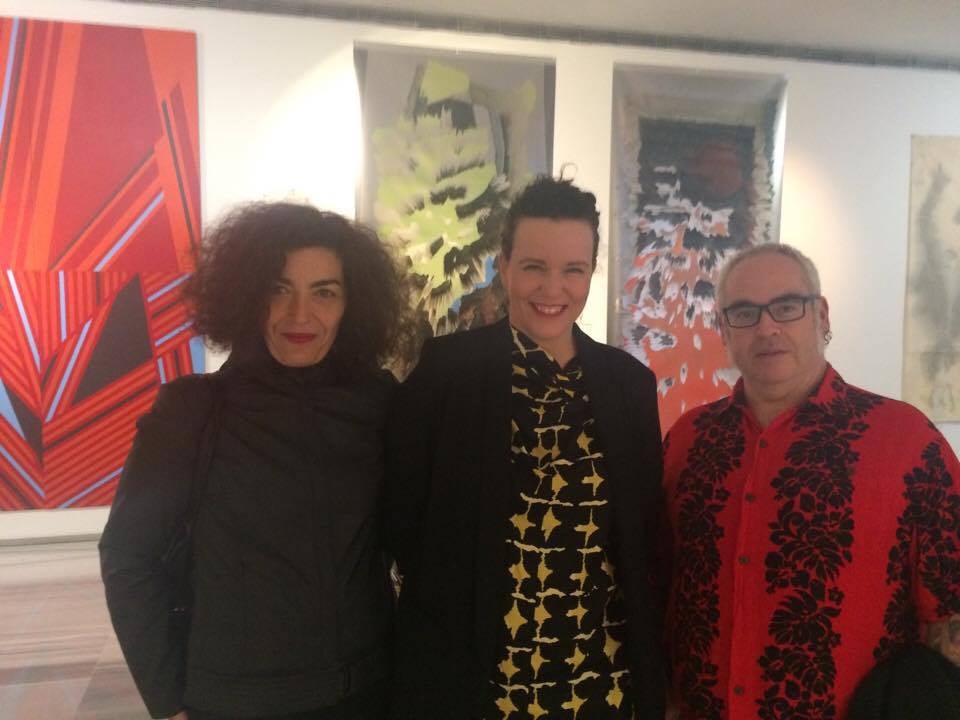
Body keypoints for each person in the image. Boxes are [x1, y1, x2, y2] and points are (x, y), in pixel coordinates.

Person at [100, 202, 410, 720]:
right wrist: (167, 703)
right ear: (246, 295)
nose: (300, 315)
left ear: (352, 304)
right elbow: (128, 555)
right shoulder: (192, 410)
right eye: (278, 289)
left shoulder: (378, 403)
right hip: (234, 700)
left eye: (324, 292)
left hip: (366, 691)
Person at [386, 176, 666, 719]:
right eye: (535, 266)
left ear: (591, 271)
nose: (552, 289)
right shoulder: (448, 372)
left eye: (573, 270)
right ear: (505, 264)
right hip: (479, 682)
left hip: (601, 680)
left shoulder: (629, 384)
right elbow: (400, 521)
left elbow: (641, 538)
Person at [662, 242, 960, 719]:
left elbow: (948, 609)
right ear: (723, 328)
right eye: (744, 313)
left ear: (820, 315)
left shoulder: (906, 441)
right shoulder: (688, 442)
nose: (767, 328)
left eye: (786, 306)